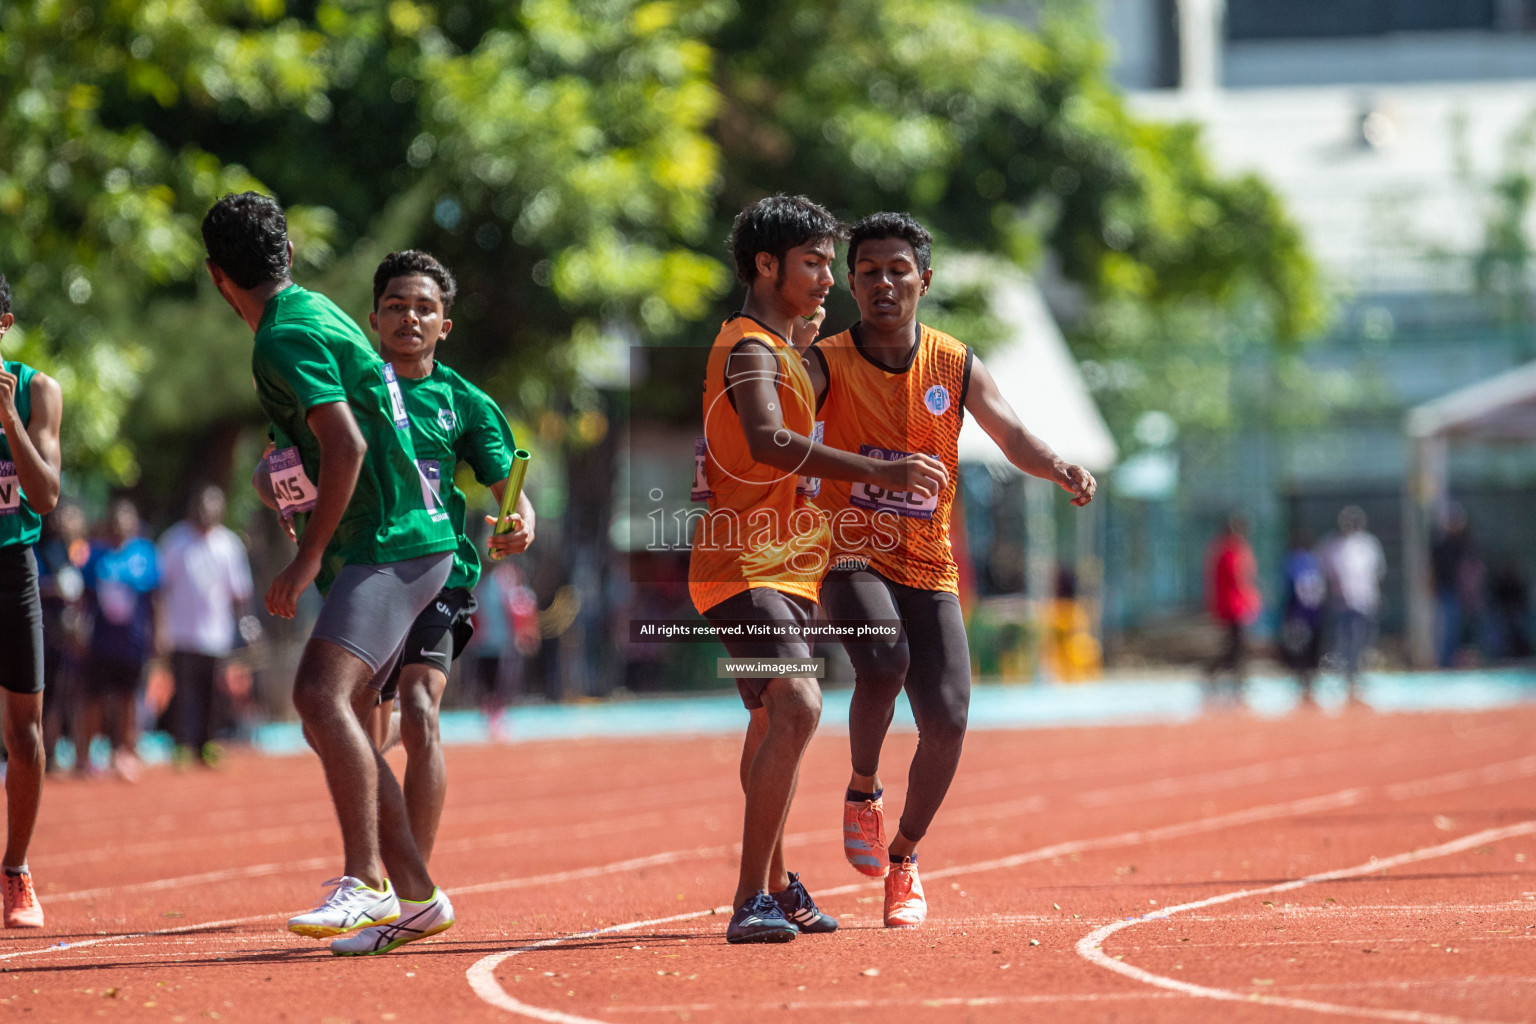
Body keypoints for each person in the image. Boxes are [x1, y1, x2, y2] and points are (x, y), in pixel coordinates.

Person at [809, 212, 1094, 928]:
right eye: (868, 270)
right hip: (847, 551)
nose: (883, 282)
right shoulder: (824, 361)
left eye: (897, 270)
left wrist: (1057, 465)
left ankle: (904, 859)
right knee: (882, 664)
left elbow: (1012, 433)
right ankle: (863, 790)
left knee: (951, 720)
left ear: (923, 281)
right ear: (850, 282)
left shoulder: (954, 363)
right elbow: (778, 441)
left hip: (927, 561)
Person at [204, 192, 459, 956]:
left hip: (394, 539)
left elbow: (345, 444)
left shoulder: (281, 337)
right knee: (337, 712)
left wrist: (307, 556)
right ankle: (414, 896)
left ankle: (368, 881)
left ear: (219, 278)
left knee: (317, 696)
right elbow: (340, 438)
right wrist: (288, 480)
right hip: (404, 535)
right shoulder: (316, 310)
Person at [690, 195, 946, 943]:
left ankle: (774, 883)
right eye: (813, 262)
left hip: (788, 565)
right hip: (743, 562)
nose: (830, 278)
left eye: (831, 263)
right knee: (799, 705)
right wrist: (890, 473)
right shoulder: (746, 348)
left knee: (775, 717)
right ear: (766, 266)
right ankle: (751, 900)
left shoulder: (780, 342)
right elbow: (768, 441)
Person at [361, 250, 534, 864]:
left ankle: (414, 886)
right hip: (363, 576)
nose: (410, 317)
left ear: (444, 325)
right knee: (364, 731)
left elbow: (510, 492)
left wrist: (519, 523)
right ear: (374, 319)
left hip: (440, 576)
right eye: (396, 306)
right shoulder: (347, 389)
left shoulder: (465, 402)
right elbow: (278, 467)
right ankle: (368, 868)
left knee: (419, 708)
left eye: (424, 308)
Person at [0, 271, 63, 928]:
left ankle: (15, 870)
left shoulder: (37, 389)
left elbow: (45, 496)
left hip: (10, 567)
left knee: (25, 734)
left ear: (4, 324)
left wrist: (8, 419)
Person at [157, 484, 255, 767]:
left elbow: (240, 593)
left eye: (212, 506)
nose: (205, 511)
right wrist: (160, 629)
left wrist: (246, 624)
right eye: (201, 505)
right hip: (181, 632)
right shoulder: (174, 541)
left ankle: (208, 744)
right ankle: (183, 745)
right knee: (184, 692)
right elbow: (160, 590)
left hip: (217, 634)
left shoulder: (229, 544)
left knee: (213, 693)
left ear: (221, 510)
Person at [78, 498, 160, 783]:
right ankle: (85, 757)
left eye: (125, 520)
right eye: (114, 521)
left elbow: (155, 600)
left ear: (134, 524)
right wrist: (79, 632)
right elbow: (82, 598)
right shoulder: (94, 555)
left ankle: (125, 753)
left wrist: (157, 637)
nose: (119, 526)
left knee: (128, 699)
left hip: (133, 642)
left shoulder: (145, 554)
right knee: (93, 699)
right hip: (100, 641)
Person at [36, 502, 88, 773]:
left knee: (59, 693)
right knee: (37, 693)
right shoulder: (34, 546)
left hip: (62, 633)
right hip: (39, 629)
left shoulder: (69, 550)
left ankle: (53, 751)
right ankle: (34, 752)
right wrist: (54, 588)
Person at [1324, 505, 1385, 704]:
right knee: (1344, 643)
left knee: (1362, 643)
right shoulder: (1334, 545)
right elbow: (1328, 573)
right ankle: (1347, 681)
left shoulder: (1368, 545)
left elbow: (1376, 573)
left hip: (1364, 602)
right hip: (1343, 604)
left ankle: (1357, 679)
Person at [1204, 514, 1261, 708]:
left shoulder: (1230, 551)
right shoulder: (1231, 552)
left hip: (1235, 605)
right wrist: (1250, 602)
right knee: (1236, 647)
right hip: (1234, 606)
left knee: (1236, 646)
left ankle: (1233, 678)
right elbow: (1240, 579)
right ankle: (1231, 679)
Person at [1279, 528, 1326, 708]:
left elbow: (1289, 588)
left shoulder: (1292, 561)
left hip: (1298, 614)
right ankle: (1309, 684)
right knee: (1312, 650)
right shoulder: (1314, 561)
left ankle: (1302, 684)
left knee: (1299, 651)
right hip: (1314, 614)